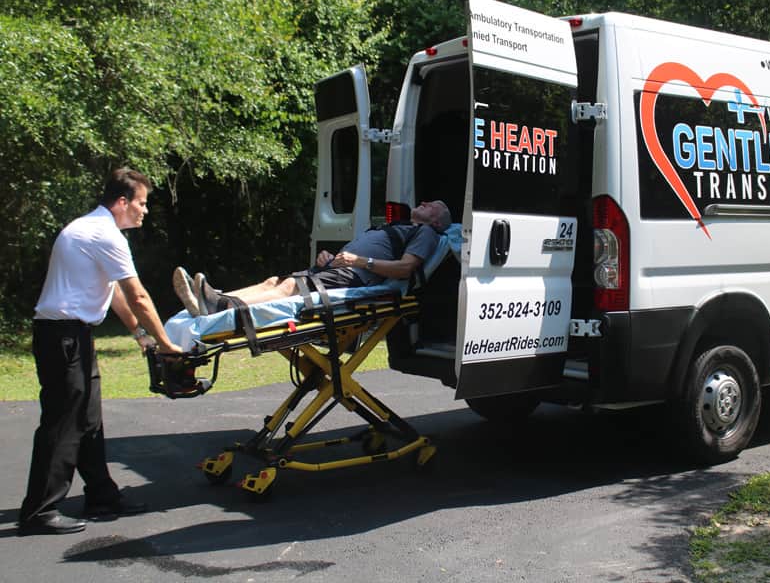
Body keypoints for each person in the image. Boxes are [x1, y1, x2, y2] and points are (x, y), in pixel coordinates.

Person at [18, 168, 183, 536]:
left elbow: (115, 294)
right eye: (141, 203)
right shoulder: (105, 234)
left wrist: (141, 334)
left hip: (72, 334)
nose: (145, 211)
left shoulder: (92, 228)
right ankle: (39, 510)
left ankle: (102, 496)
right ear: (122, 202)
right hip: (62, 336)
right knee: (62, 422)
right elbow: (139, 296)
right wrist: (169, 347)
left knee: (88, 420)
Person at [174, 200, 453, 316]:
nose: (425, 202)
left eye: (432, 206)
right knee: (275, 280)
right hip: (341, 269)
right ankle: (213, 297)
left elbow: (405, 269)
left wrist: (359, 261)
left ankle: (220, 307)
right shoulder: (400, 227)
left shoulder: (428, 233)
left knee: (287, 288)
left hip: (356, 278)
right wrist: (330, 258)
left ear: (437, 222)